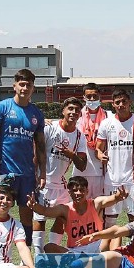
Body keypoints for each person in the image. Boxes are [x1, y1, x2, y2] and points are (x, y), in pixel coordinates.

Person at [0, 69, 46, 247]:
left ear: (33, 88)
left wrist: (42, 172)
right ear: (14, 86)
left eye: (28, 85)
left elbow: (41, 146)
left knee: (27, 214)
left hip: (27, 174)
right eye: (21, 84)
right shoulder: (2, 107)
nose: (25, 88)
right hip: (5, 172)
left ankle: (24, 255)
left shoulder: (36, 114)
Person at [31, 97, 88, 256]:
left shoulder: (79, 136)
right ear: (63, 111)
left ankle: (51, 251)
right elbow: (37, 153)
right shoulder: (50, 127)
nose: (73, 112)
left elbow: (82, 165)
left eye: (77, 110)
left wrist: (71, 154)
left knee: (64, 216)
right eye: (70, 109)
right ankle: (38, 255)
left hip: (60, 183)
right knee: (40, 218)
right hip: (43, 181)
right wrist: (36, 176)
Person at [28, 176, 127, 254]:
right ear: (69, 192)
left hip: (96, 245)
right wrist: (35, 206)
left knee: (116, 231)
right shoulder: (65, 209)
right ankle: (84, 262)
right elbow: (46, 211)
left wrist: (118, 197)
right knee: (49, 247)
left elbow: (111, 199)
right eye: (74, 190)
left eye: (81, 190)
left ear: (87, 191)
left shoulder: (95, 204)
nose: (78, 193)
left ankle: (115, 261)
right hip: (76, 251)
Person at [96, 89, 134, 232]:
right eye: (117, 102)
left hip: (133, 180)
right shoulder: (107, 123)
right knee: (111, 219)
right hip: (112, 179)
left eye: (124, 101)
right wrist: (100, 155)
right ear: (113, 104)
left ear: (130, 102)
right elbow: (98, 149)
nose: (121, 104)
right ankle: (110, 251)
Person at [73, 83, 110, 199]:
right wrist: (46, 121)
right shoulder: (76, 116)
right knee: (79, 208)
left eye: (95, 96)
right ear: (84, 97)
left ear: (100, 97)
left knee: (99, 209)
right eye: (89, 97)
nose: (92, 99)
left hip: (101, 171)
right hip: (81, 170)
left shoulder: (109, 116)